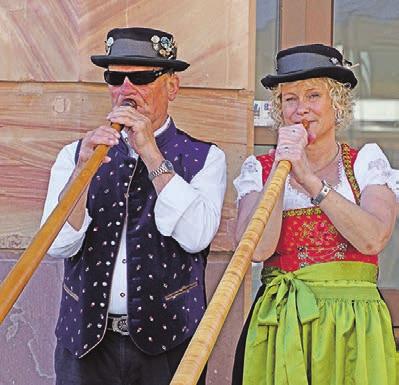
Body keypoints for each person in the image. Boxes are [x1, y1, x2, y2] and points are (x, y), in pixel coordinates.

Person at [41, 27, 226, 385]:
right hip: (85, 345)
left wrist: (150, 152)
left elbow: (196, 237)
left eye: (141, 77)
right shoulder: (74, 155)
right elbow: (57, 243)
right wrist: (82, 171)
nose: (126, 90)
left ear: (172, 86)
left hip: (169, 346)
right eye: (115, 77)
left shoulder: (206, 157)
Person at [232, 43, 399, 385]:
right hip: (281, 320)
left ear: (336, 104)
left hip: (354, 322)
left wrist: (309, 180)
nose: (301, 109)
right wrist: (282, 168)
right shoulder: (260, 169)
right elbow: (257, 250)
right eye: (290, 99)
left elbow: (372, 238)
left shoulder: (365, 162)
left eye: (313, 96)